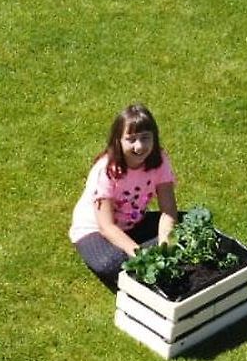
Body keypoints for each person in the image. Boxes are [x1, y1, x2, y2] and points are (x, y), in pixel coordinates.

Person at [68, 104, 179, 291]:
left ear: (154, 137)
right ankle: (142, 257)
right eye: (131, 139)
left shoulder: (159, 161)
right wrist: (140, 255)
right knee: (110, 264)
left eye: (145, 138)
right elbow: (106, 226)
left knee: (188, 225)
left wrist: (166, 245)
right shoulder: (107, 171)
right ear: (118, 141)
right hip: (95, 230)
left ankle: (148, 253)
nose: (140, 146)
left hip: (132, 223)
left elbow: (168, 211)